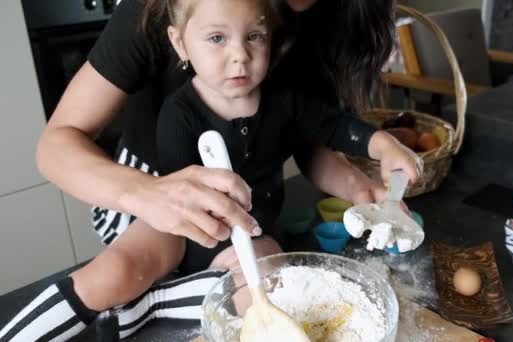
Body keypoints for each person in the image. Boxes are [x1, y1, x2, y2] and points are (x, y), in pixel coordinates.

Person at [0, 0, 419, 341]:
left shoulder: (294, 76)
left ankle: (147, 303)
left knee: (269, 280)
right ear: (180, 43)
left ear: (271, 39)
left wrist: (367, 178)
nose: (239, 56)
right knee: (117, 271)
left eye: (255, 38)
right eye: (217, 38)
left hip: (246, 226)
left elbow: (316, 132)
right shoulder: (180, 110)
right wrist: (150, 196)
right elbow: (64, 146)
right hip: (157, 204)